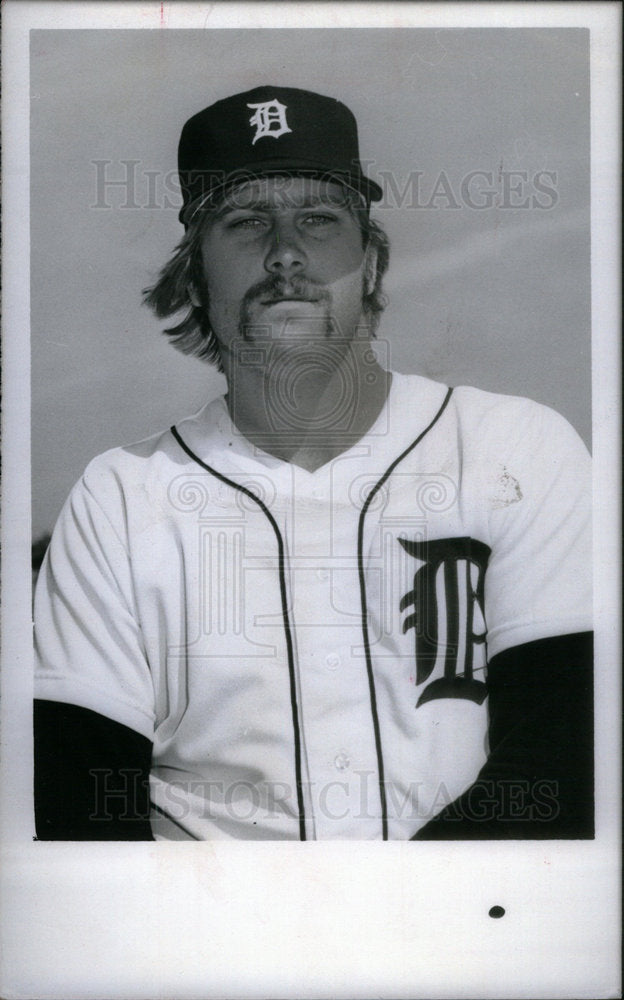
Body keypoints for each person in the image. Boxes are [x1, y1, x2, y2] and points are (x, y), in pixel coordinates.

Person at [34, 86, 593, 841]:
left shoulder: (516, 448)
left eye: (319, 220)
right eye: (246, 222)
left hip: (463, 931)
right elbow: (80, 809)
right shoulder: (120, 498)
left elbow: (564, 765)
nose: (284, 253)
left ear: (369, 264)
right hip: (203, 942)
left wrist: (386, 943)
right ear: (196, 276)